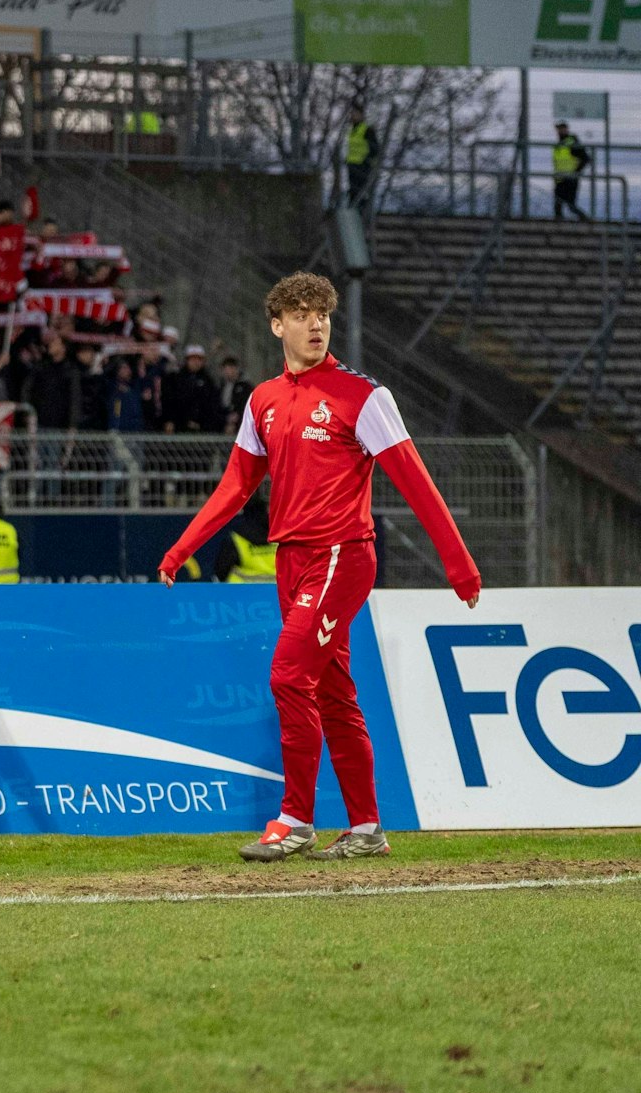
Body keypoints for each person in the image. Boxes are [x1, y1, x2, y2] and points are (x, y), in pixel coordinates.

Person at [158, 272, 481, 863]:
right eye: (302, 314)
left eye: (323, 314)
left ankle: (295, 820)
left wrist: (458, 566)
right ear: (276, 325)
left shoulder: (364, 396)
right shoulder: (263, 400)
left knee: (287, 675)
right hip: (292, 561)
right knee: (334, 693)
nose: (315, 324)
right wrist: (183, 548)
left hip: (342, 554)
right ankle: (366, 829)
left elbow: (416, 482)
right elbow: (235, 487)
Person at [211, 491, 278, 584]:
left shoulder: (236, 539)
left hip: (241, 593)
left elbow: (221, 572)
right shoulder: (278, 535)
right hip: (274, 591)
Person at [551, 121, 592, 221]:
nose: (559, 131)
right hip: (560, 178)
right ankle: (558, 225)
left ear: (566, 129)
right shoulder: (559, 145)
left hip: (570, 178)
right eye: (558, 129)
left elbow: (585, 158)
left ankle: (586, 220)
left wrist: (576, 172)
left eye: (561, 128)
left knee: (570, 205)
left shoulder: (571, 142)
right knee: (558, 204)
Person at [342, 102, 378, 207]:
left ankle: (360, 214)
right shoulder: (353, 130)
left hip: (362, 166)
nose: (352, 115)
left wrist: (366, 161)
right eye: (351, 113)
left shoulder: (367, 130)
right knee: (353, 193)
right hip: (352, 165)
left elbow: (375, 149)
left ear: (361, 114)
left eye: (355, 113)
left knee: (360, 194)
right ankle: (354, 213)